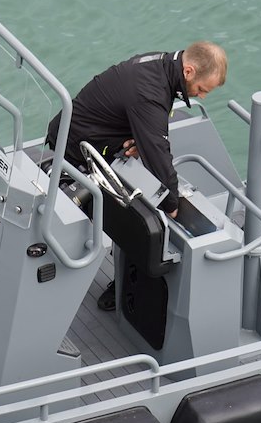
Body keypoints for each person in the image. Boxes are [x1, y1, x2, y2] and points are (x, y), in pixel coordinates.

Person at [45, 41, 228, 310]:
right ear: (188, 71)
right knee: (141, 218)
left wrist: (136, 139)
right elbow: (158, 153)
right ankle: (122, 286)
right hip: (78, 148)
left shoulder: (161, 66)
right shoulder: (152, 92)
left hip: (89, 134)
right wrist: (172, 205)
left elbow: (143, 124)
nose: (201, 96)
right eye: (201, 89)